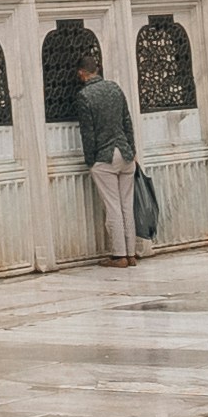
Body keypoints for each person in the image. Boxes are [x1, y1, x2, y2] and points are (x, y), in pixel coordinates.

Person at [72, 59, 143, 265]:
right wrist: (132, 150)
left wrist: (90, 161)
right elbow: (127, 121)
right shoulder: (115, 88)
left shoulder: (84, 96)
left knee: (113, 207)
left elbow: (88, 133)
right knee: (126, 206)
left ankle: (119, 255)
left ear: (82, 73)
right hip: (125, 154)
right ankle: (131, 254)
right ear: (97, 70)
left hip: (105, 157)